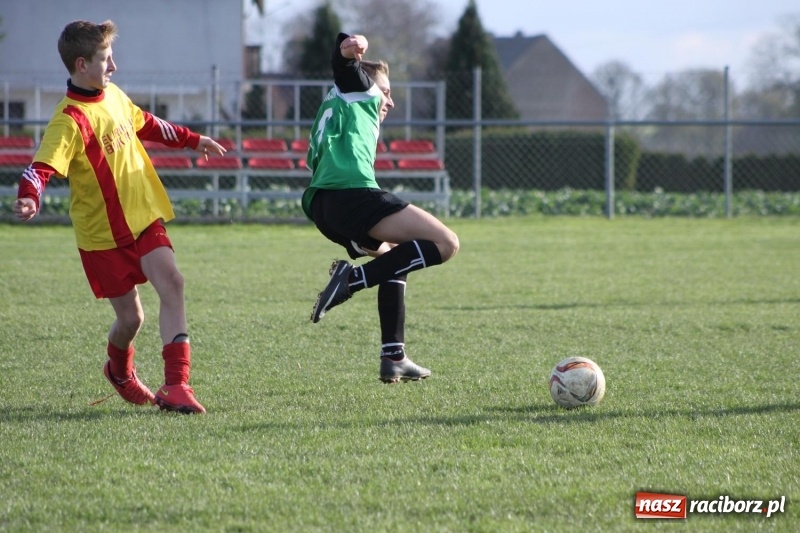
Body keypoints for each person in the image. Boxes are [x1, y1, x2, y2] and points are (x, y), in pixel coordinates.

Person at [12, 20, 227, 414]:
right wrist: (30, 196)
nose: (114, 67)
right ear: (81, 65)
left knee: (173, 283)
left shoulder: (113, 95)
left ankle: (176, 386)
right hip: (102, 236)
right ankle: (119, 371)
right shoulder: (69, 120)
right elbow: (41, 167)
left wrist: (193, 139)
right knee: (131, 320)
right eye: (106, 60)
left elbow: (147, 122)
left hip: (143, 217)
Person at [303, 33, 460, 384]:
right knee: (447, 244)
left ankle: (394, 356)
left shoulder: (341, 106)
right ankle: (351, 280)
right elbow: (345, 65)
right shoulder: (361, 92)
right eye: (387, 91)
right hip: (351, 197)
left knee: (396, 258)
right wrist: (350, 47)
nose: (389, 100)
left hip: (325, 210)